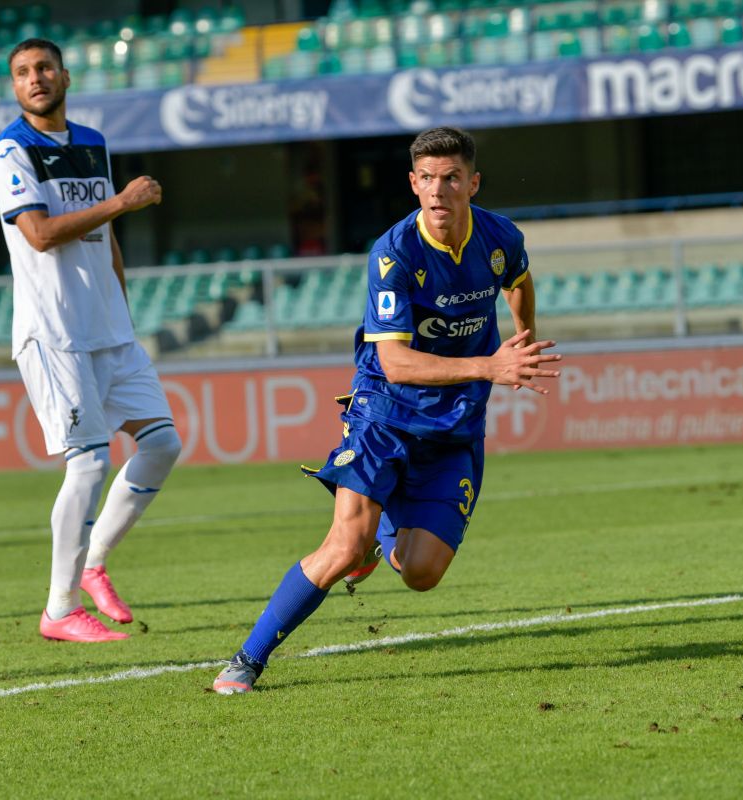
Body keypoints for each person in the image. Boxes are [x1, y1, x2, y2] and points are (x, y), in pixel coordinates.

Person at [214, 127, 561, 694]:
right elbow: (396, 363)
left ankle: (385, 540)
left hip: (455, 424)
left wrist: (524, 337)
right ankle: (246, 661)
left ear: (473, 183)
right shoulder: (394, 252)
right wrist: (489, 366)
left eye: (451, 178)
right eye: (427, 178)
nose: (438, 190)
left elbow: (518, 279)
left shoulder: (500, 237)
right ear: (412, 184)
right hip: (385, 411)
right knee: (344, 544)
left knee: (422, 573)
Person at [0, 39, 182, 643]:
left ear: (65, 75)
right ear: (14, 87)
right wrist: (121, 202)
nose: (35, 78)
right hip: (55, 333)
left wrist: (121, 308)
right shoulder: (10, 151)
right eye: (22, 73)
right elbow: (40, 234)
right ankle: (59, 609)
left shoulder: (93, 142)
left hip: (109, 331)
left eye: (44, 68)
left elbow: (106, 236)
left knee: (163, 444)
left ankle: (93, 563)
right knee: (91, 461)